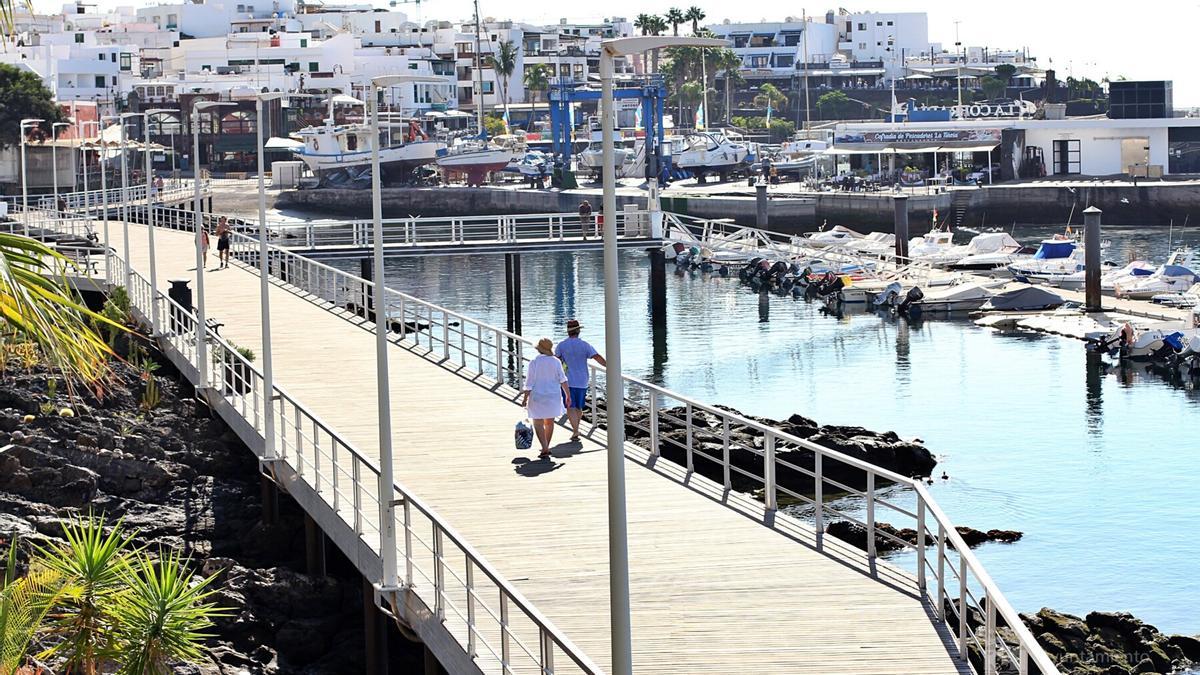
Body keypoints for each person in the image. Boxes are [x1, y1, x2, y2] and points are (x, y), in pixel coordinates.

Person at [554, 319, 606, 441]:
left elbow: (556, 361)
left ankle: (576, 430)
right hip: (582, 380)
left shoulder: (561, 345)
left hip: (567, 380)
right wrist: (610, 366)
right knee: (579, 407)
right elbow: (597, 357)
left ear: (568, 331)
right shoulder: (585, 345)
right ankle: (576, 430)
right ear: (578, 331)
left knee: (570, 406)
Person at [522, 338, 570, 459]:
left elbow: (529, 383)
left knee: (538, 422)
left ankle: (545, 447)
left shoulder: (534, 362)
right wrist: (568, 395)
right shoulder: (556, 362)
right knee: (549, 422)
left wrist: (525, 398)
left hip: (537, 396)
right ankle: (546, 446)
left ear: (539, 349)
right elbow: (563, 380)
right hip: (553, 396)